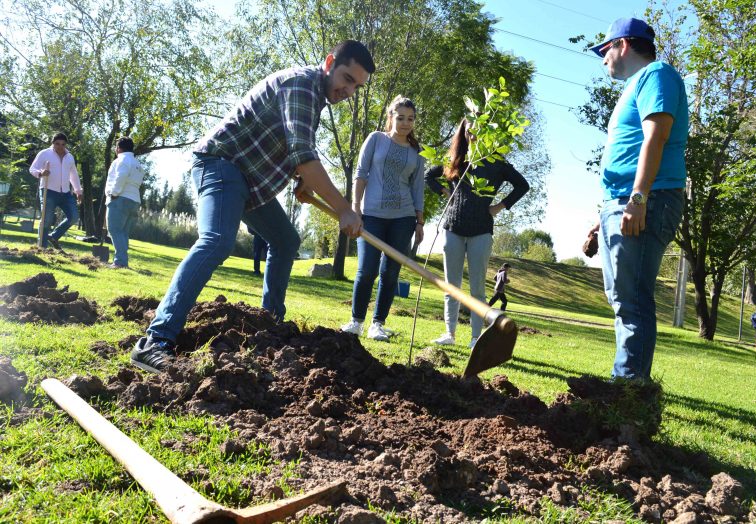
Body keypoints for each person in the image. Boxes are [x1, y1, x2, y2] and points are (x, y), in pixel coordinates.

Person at [131, 40, 374, 373]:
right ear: (330, 62)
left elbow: (291, 152)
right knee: (217, 240)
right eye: (347, 78)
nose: (349, 90)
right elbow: (304, 154)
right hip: (222, 164)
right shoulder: (302, 85)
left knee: (287, 240)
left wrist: (300, 181)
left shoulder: (315, 100)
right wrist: (345, 208)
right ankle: (155, 341)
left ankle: (268, 326)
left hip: (249, 184)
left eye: (356, 87)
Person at [584, 18, 688, 380]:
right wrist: (603, 217)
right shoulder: (636, 85)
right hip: (625, 202)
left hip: (649, 200)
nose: (603, 60)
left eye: (604, 50)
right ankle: (626, 386)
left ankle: (628, 391)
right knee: (623, 301)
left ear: (623, 45)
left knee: (632, 302)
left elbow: (655, 137)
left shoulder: (656, 74)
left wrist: (638, 199)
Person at [426, 118, 529, 348]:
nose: (474, 136)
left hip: (481, 231)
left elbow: (522, 185)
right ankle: (449, 334)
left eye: (479, 132)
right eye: (470, 132)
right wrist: (445, 192)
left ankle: (475, 338)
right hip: (453, 229)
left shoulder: (496, 161)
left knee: (477, 290)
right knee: (451, 286)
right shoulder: (454, 158)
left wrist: (499, 207)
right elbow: (428, 176)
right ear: (463, 132)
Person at [340, 96, 425, 341]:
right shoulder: (376, 139)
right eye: (400, 118)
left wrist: (419, 222)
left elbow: (417, 188)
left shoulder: (417, 152)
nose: (405, 123)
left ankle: (378, 324)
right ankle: (356, 321)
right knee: (366, 270)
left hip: (403, 219)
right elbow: (361, 173)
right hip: (372, 216)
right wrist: (356, 207)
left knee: (390, 273)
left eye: (410, 119)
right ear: (391, 117)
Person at [29, 133, 83, 249]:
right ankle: (42, 247)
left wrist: (78, 190)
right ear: (53, 143)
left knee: (73, 217)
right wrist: (41, 173)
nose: (60, 146)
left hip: (66, 193)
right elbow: (32, 169)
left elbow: (73, 174)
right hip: (48, 191)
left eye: (63, 144)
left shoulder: (70, 157)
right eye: (57, 144)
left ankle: (53, 236)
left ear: (65, 145)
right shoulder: (44, 154)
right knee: (47, 220)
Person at [104, 136, 145, 269]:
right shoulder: (137, 164)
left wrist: (114, 193)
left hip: (120, 198)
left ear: (118, 148)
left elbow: (121, 176)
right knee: (123, 232)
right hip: (134, 199)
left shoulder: (121, 160)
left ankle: (120, 261)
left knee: (114, 229)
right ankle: (122, 259)